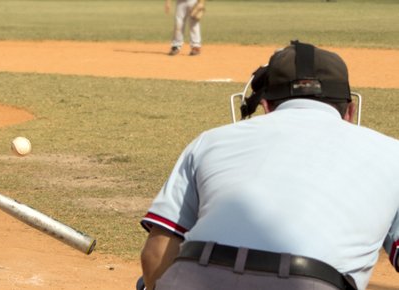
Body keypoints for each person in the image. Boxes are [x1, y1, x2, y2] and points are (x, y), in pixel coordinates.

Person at [139, 41, 399, 290]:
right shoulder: (391, 152)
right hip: (316, 281)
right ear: (350, 110)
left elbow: (157, 252)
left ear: (265, 106)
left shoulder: (210, 140)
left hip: (195, 275)